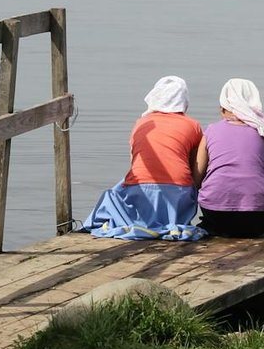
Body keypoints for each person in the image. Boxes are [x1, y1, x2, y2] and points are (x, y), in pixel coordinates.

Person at [80, 76, 207, 240]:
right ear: (184, 101)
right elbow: (196, 167)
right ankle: (170, 221)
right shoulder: (192, 125)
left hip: (140, 189)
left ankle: (138, 222)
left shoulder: (142, 123)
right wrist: (193, 189)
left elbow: (135, 163)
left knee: (113, 194)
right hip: (178, 193)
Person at [196, 78, 264, 238]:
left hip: (216, 214)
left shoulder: (210, 131)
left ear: (224, 108)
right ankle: (257, 198)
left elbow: (197, 177)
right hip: (258, 217)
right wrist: (260, 190)